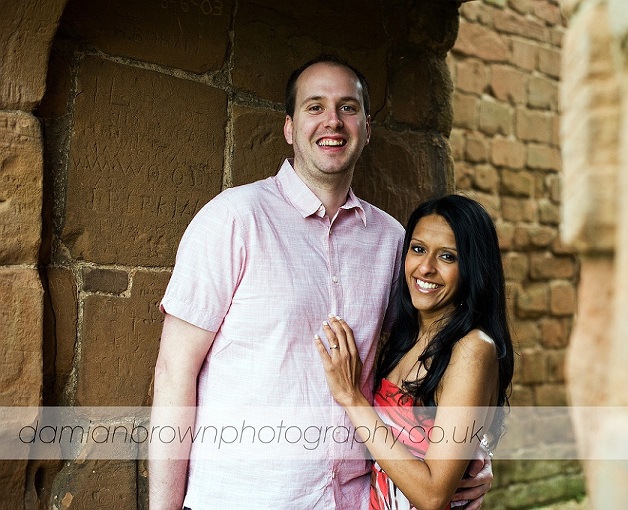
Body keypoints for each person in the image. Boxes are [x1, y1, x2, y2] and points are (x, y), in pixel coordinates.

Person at [149, 55, 492, 510]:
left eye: (347, 107)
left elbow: (430, 353)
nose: (333, 120)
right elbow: (174, 373)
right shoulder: (233, 220)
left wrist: (469, 455)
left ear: (366, 128)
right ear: (290, 127)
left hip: (353, 500)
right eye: (315, 107)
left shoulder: (393, 241)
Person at [315, 195, 514, 510]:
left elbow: (433, 496)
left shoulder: (472, 348)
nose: (426, 267)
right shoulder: (405, 337)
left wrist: (352, 399)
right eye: (418, 249)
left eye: (447, 257)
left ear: (473, 267)